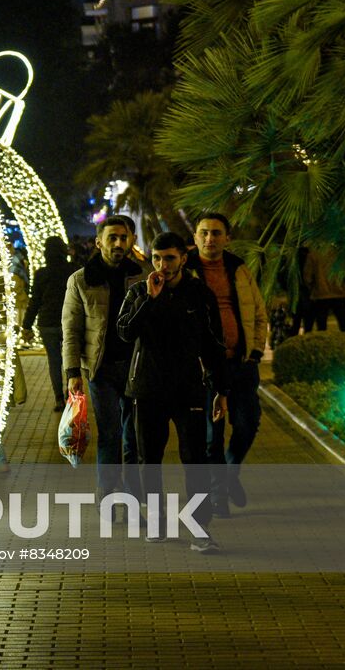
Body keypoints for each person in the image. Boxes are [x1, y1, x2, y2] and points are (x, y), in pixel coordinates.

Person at [117, 231, 229, 553]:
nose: (162, 265)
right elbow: (125, 333)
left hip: (188, 388)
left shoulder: (199, 294)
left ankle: (199, 528)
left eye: (169, 258)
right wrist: (150, 300)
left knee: (194, 459)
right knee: (148, 459)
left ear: (183, 258)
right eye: (156, 258)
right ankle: (156, 522)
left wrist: (221, 389)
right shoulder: (139, 291)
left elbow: (213, 343)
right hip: (147, 388)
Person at [188, 213, 268, 516]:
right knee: (212, 435)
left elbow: (259, 313)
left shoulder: (239, 269)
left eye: (216, 233)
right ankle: (218, 495)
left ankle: (231, 471)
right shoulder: (187, 270)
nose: (210, 239)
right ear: (195, 237)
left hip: (242, 363)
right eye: (204, 233)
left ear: (227, 238)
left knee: (248, 424)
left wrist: (256, 352)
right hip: (205, 369)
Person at [63, 216, 143, 510]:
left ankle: (133, 492)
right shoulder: (81, 279)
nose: (119, 244)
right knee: (110, 432)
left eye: (124, 237)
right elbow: (70, 329)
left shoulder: (142, 276)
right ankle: (109, 492)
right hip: (100, 369)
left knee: (133, 433)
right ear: (99, 242)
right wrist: (72, 371)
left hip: (136, 368)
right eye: (112, 238)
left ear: (132, 240)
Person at [22, 237, 72, 412]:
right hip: (69, 323)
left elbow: (35, 301)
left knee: (54, 361)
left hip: (47, 323)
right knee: (70, 360)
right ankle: (70, 395)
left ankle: (58, 398)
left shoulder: (41, 273)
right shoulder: (72, 270)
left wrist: (27, 324)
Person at [302, 244, 345, 332]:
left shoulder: (314, 255)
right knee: (344, 326)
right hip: (339, 293)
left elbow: (307, 277)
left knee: (321, 327)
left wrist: (312, 288)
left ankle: (322, 345)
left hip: (321, 295)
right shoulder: (340, 254)